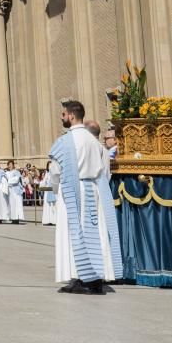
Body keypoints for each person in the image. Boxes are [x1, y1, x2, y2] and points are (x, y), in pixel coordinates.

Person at [50, 100, 122, 295]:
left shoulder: (65, 141)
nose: (62, 117)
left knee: (72, 233)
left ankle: (80, 276)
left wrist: (57, 191)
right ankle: (95, 277)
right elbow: (105, 172)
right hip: (94, 189)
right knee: (96, 234)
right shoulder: (94, 142)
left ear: (72, 116)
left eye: (63, 114)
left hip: (72, 190)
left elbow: (56, 172)